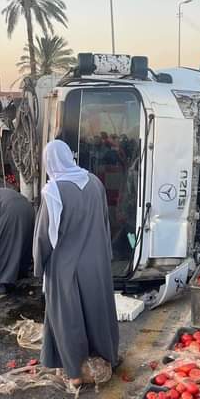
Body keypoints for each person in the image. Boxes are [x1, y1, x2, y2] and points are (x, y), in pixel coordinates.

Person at [33, 140, 119, 386]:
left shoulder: (53, 190)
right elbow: (104, 222)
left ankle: (74, 373)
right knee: (97, 309)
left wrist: (39, 265)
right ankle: (108, 357)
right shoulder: (94, 182)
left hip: (65, 264)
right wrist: (106, 255)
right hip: (96, 260)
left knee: (67, 316)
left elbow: (45, 235)